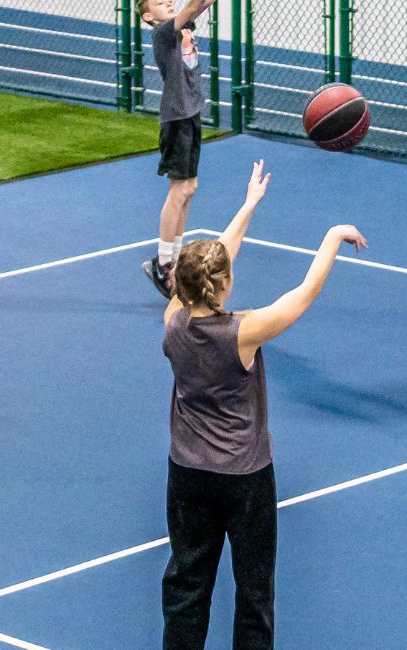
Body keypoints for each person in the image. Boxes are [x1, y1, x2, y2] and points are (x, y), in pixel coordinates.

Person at [159, 160, 367, 649]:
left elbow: (214, 261)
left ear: (180, 288)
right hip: (245, 478)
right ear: (224, 284)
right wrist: (333, 236)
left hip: (186, 473)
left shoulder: (172, 324)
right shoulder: (244, 333)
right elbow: (304, 292)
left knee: (187, 584)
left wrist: (248, 205)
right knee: (254, 591)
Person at [138, 0, 219, 298]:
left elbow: (200, 5)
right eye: (160, 2)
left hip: (191, 115)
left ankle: (176, 257)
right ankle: (163, 263)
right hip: (176, 119)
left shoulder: (183, 27)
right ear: (148, 16)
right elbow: (192, 6)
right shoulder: (162, 33)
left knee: (190, 189)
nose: (168, 2)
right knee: (178, 191)